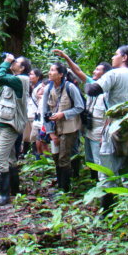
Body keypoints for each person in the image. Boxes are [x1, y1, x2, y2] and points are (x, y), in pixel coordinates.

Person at [85, 45, 128, 211]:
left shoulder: (114, 74)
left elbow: (93, 90)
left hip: (115, 128)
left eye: (116, 54)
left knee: (107, 170)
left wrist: (87, 83)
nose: (112, 57)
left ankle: (107, 211)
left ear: (124, 58)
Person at [53, 49, 112, 180]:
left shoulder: (108, 90)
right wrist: (66, 57)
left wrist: (105, 134)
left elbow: (110, 114)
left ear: (105, 74)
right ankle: (94, 186)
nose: (94, 71)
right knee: (90, 159)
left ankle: (104, 190)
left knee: (99, 160)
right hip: (89, 128)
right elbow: (78, 72)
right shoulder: (93, 84)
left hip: (100, 129)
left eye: (98, 70)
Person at [0, 54, 31, 206]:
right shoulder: (15, 79)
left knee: (0, 158)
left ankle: (4, 196)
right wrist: (6, 62)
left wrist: (6, 61)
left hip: (10, 126)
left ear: (22, 68)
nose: (12, 63)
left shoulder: (20, 80)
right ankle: (15, 190)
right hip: (7, 124)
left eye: (16, 62)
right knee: (10, 158)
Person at [42, 62, 84, 192]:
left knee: (63, 158)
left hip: (69, 128)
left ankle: (64, 189)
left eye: (53, 70)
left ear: (61, 74)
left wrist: (63, 114)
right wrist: (50, 132)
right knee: (55, 157)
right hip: (54, 129)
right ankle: (60, 185)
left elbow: (80, 107)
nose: (50, 72)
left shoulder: (70, 87)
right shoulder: (48, 89)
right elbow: (45, 112)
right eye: (49, 70)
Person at [22, 68, 43, 158]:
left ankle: (36, 154)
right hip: (28, 114)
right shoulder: (29, 86)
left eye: (32, 74)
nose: (30, 76)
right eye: (29, 74)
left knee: (35, 136)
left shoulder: (40, 87)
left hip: (35, 115)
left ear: (38, 77)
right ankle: (25, 153)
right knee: (26, 136)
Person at [30, 78, 50, 156]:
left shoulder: (48, 98)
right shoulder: (42, 97)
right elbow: (37, 94)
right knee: (39, 139)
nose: (41, 88)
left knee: (43, 142)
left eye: (43, 86)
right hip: (39, 121)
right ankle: (39, 156)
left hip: (43, 123)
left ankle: (46, 159)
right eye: (41, 86)